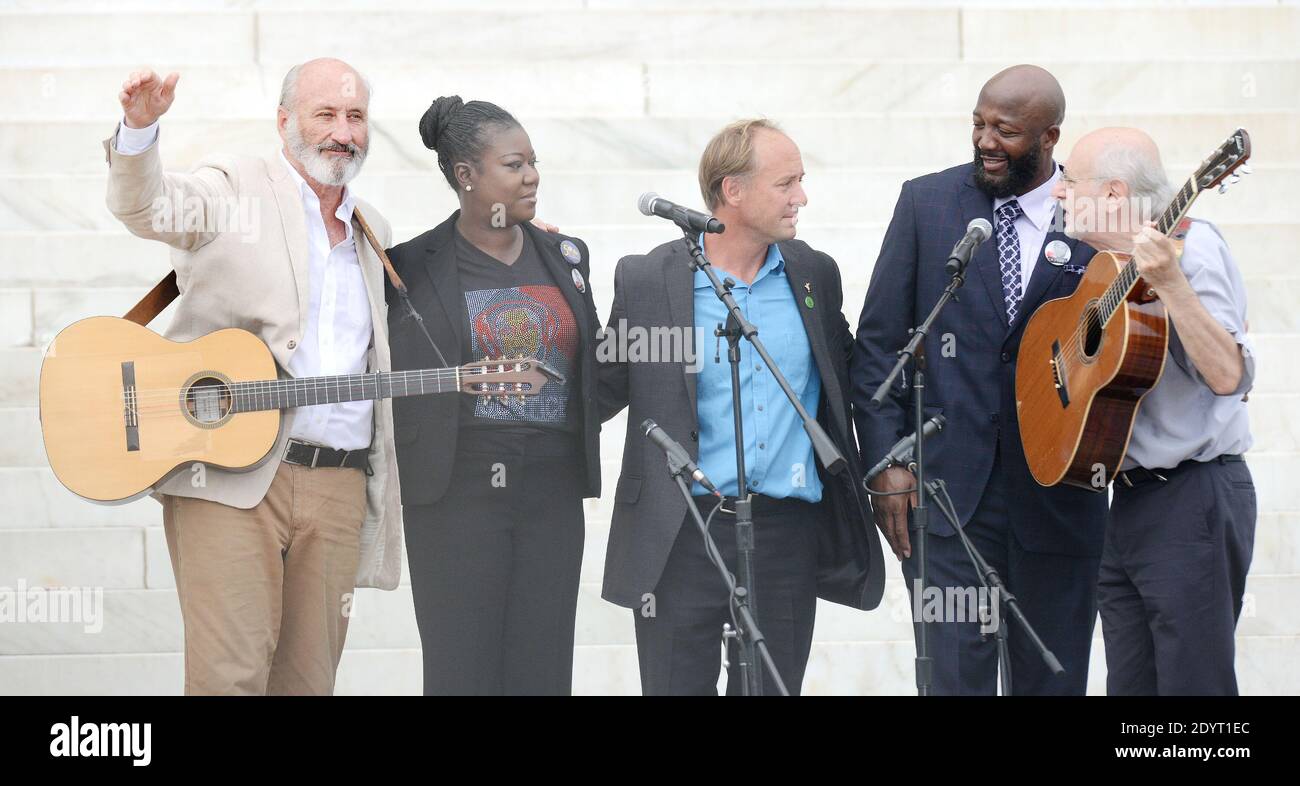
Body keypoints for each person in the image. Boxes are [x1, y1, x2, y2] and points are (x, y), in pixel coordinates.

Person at [104, 59, 402, 695]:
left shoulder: (375, 228)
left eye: (355, 117)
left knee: (308, 683)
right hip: (231, 476)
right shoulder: (235, 185)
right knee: (229, 679)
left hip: (338, 487)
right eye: (326, 114)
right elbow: (149, 207)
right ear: (285, 121)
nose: (342, 132)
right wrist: (137, 132)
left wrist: (519, 240)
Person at [599, 118, 885, 696]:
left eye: (799, 181)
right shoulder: (648, 279)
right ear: (732, 190)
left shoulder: (813, 274)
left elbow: (851, 375)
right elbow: (599, 390)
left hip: (785, 535)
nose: (800, 197)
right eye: (786, 184)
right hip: (683, 532)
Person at [852, 64, 1107, 695]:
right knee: (953, 683)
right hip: (946, 503)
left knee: (1053, 682)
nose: (985, 140)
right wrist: (888, 460)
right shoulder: (928, 203)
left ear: (1050, 137)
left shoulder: (1095, 216)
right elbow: (880, 345)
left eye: (1006, 130)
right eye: (978, 123)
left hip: (1059, 499)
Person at [384, 97, 602, 695]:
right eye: (514, 164)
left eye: (534, 162)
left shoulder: (567, 256)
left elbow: (593, 371)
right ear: (466, 176)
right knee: (461, 666)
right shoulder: (407, 268)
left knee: (544, 662)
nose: (531, 176)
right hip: (456, 489)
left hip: (552, 489)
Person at [1053, 127, 1256, 695]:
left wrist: (1171, 283)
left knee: (1195, 692)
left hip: (1193, 499)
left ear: (1114, 193)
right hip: (1130, 502)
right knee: (1131, 691)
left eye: (1070, 179)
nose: (1059, 192)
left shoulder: (1194, 246)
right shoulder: (1107, 269)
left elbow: (1228, 375)